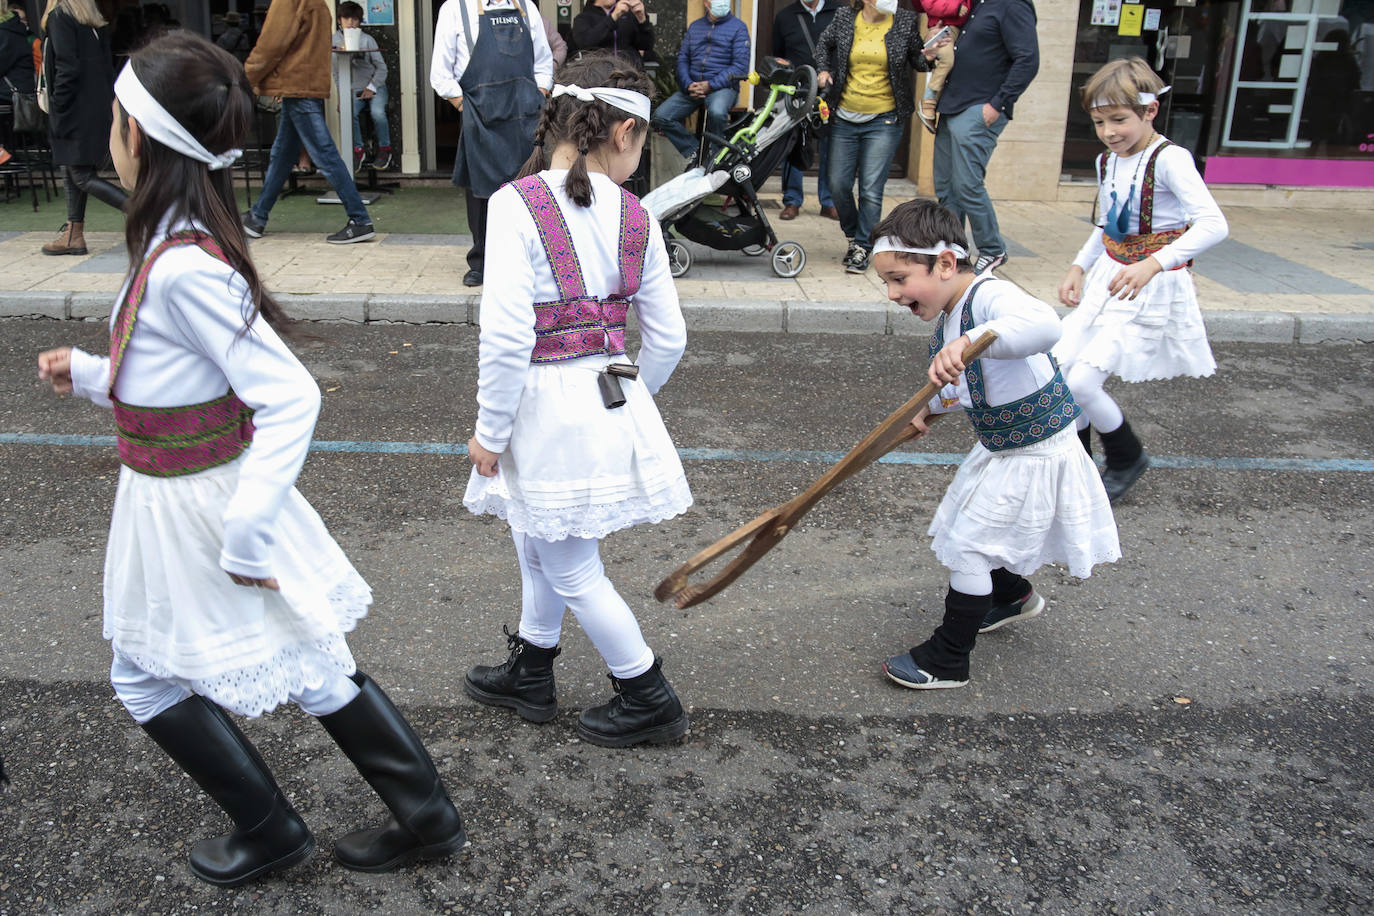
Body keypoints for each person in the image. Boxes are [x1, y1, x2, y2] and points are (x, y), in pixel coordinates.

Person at [35, 32, 464, 887]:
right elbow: (173, 370)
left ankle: (274, 830)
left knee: (149, 675)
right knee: (305, 657)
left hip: (199, 504)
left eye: (116, 122)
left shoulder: (182, 261)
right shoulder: (175, 241)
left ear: (141, 139)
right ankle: (422, 815)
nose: (108, 138)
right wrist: (91, 375)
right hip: (188, 492)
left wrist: (246, 531)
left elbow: (291, 395)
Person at [463, 53, 693, 749]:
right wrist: (627, 401)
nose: (640, 158)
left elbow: (506, 335)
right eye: (643, 144)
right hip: (605, 393)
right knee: (535, 538)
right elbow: (670, 338)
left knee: (568, 563)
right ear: (623, 131)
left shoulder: (515, 204)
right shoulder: (636, 215)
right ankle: (533, 668)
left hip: (543, 405)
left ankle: (647, 692)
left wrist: (490, 431)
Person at [869, 198, 1119, 690]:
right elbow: (973, 382)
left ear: (945, 263)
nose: (895, 293)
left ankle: (947, 658)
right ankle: (1011, 598)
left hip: (1036, 453)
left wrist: (969, 341)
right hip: (1006, 446)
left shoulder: (989, 298)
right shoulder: (949, 312)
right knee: (976, 530)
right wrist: (931, 408)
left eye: (900, 279)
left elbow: (1044, 325)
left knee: (969, 548)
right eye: (888, 283)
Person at [1053, 58, 1227, 503]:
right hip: (1111, 278)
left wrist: (1154, 264)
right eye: (1099, 122)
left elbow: (1213, 224)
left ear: (1150, 112)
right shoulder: (1108, 160)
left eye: (1119, 120)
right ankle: (1083, 467)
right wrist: (1078, 266)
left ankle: (1127, 457)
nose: (1110, 131)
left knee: (1081, 385)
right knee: (1063, 369)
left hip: (1150, 287)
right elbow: (1108, 225)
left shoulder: (1172, 160)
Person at [430, 0, 554, 288]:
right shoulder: (455, 8)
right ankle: (481, 262)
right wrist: (462, 105)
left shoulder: (526, 7)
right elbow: (440, 72)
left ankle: (530, 261)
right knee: (480, 193)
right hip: (480, 115)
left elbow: (544, 61)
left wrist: (540, 93)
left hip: (525, 111)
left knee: (528, 191)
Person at [815, 0, 943, 274]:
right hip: (845, 116)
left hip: (885, 118)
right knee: (837, 184)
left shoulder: (905, 22)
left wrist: (930, 53)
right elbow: (824, 45)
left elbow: (917, 61)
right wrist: (823, 70)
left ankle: (862, 246)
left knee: (871, 189)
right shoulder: (844, 17)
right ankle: (853, 235)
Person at [242, 0, 376, 244]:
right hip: (307, 83)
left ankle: (360, 219)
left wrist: (246, 76)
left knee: (324, 154)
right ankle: (257, 217)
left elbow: (272, 42)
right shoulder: (318, 3)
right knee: (282, 155)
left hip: (296, 85)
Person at [932, 0, 1037, 274]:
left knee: (967, 184)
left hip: (980, 107)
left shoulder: (1013, 5)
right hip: (953, 104)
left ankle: (992, 249)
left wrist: (997, 104)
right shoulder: (977, 4)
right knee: (946, 188)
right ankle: (954, 249)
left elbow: (1028, 60)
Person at [38, 0, 128, 256]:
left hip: (74, 108)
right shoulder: (91, 19)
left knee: (80, 175)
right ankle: (73, 235)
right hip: (96, 105)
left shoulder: (59, 16)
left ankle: (141, 211)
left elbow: (67, 67)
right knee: (74, 169)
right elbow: (106, 68)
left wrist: (58, 106)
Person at [650, 0, 749, 162]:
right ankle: (695, 151)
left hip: (722, 88)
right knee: (661, 116)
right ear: (706, 3)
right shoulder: (696, 26)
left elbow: (740, 66)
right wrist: (688, 84)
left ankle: (717, 157)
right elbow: (683, 59)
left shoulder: (739, 27)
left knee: (717, 112)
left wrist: (711, 85)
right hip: (693, 87)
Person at [770, 0, 839, 221]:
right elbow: (778, 54)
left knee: (830, 147)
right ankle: (792, 200)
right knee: (793, 145)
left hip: (831, 91)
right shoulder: (785, 16)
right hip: (797, 91)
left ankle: (828, 201)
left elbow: (845, 51)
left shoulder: (838, 12)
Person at [333, 1, 392, 171]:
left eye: (355, 19)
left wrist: (372, 87)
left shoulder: (368, 40)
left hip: (375, 86)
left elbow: (382, 68)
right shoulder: (333, 42)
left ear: (360, 21)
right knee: (347, 112)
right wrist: (342, 97)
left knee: (377, 113)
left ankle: (385, 149)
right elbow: (336, 74)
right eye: (346, 18)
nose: (350, 22)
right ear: (339, 20)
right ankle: (358, 150)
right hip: (351, 89)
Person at [914, 0, 968, 133]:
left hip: (963, 29)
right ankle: (929, 99)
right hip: (943, 29)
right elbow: (928, 4)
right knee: (946, 60)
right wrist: (955, 8)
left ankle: (935, 105)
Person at [572, 0, 654, 69]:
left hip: (630, 73)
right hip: (598, 75)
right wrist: (613, 17)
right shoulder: (583, 18)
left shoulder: (629, 15)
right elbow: (585, 42)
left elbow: (646, 45)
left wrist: (642, 19)